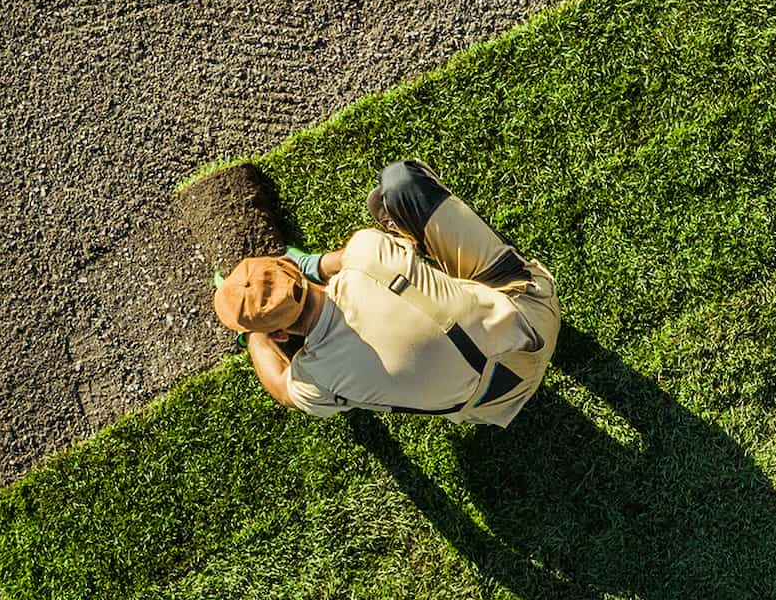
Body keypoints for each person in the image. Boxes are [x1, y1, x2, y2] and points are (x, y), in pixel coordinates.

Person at [213, 160, 559, 426]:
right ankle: (409, 236)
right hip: (535, 321)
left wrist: (255, 336)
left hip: (492, 406)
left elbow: (280, 387)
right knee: (400, 183)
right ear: (292, 269)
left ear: (279, 333)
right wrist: (311, 264)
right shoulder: (367, 252)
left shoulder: (315, 378)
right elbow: (346, 260)